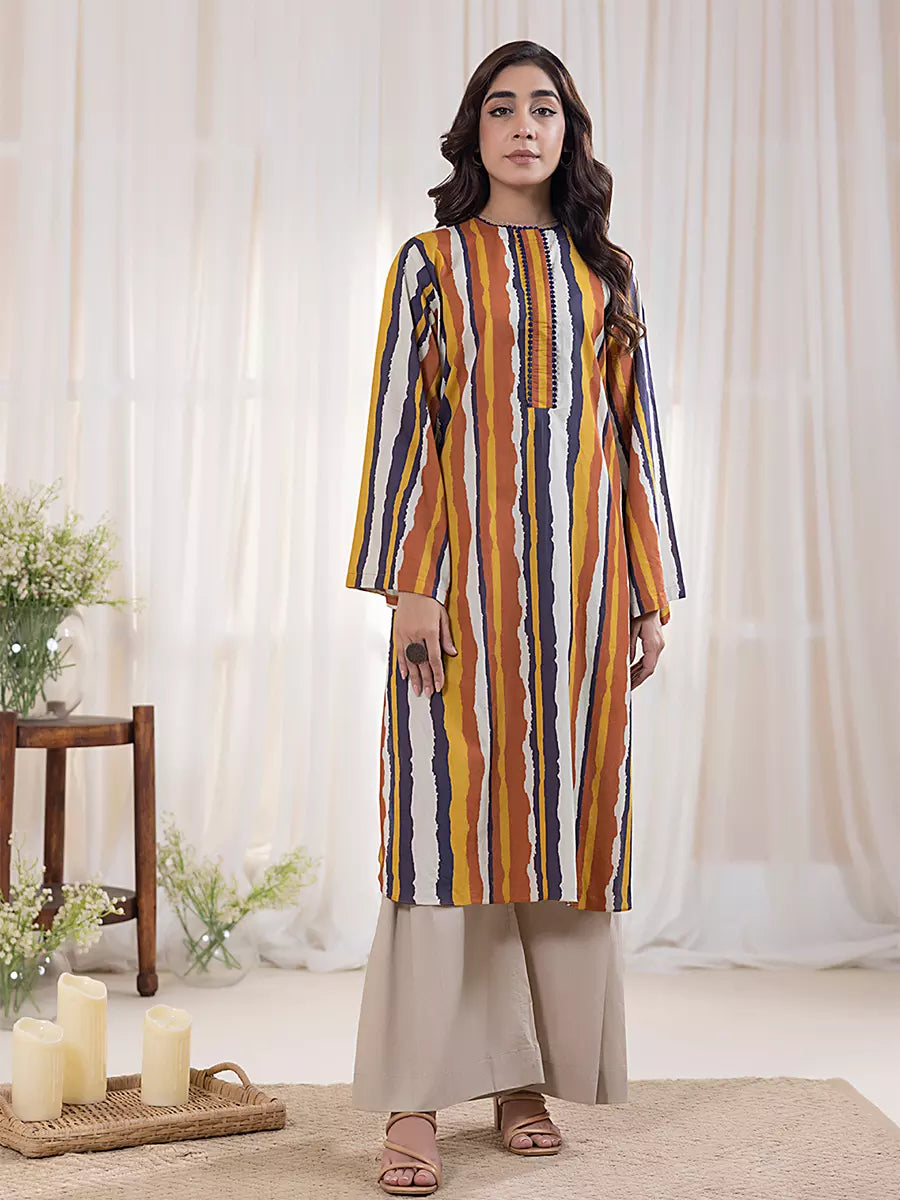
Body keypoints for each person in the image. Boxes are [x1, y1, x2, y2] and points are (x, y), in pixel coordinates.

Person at [345, 38, 686, 1196]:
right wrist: (411, 584)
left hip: (582, 605)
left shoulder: (607, 274)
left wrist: (648, 594)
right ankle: (414, 1100)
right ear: (474, 131)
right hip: (461, 601)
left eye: (545, 108)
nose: (524, 126)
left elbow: (635, 440)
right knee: (446, 833)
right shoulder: (431, 263)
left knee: (554, 826)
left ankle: (521, 1078)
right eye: (503, 108)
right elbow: (402, 427)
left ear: (568, 132)